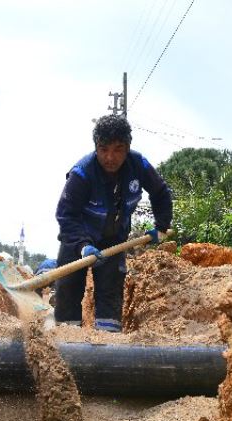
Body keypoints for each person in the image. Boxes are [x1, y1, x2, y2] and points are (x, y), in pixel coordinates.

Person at [54, 114, 172, 332]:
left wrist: (161, 225)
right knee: (68, 293)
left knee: (110, 295)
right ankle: (66, 344)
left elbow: (161, 192)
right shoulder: (82, 174)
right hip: (77, 242)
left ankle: (107, 348)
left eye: (118, 149)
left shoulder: (139, 166)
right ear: (96, 148)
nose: (110, 157)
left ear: (127, 148)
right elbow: (66, 215)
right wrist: (82, 246)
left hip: (113, 242)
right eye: (104, 149)